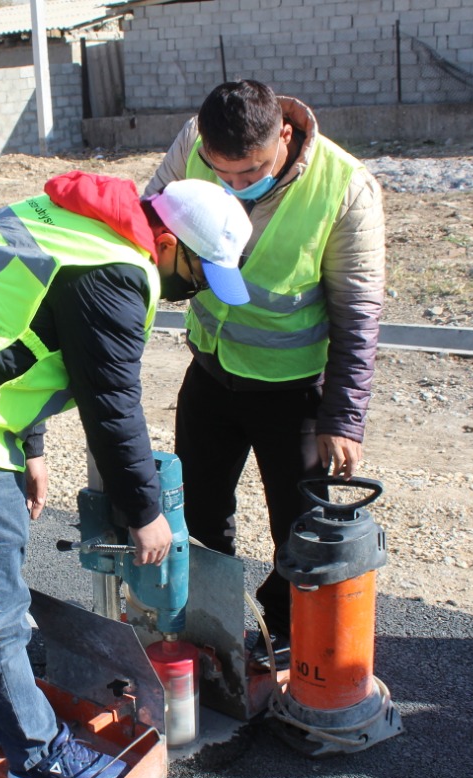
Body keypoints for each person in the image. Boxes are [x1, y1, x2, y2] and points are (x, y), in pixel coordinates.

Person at [0, 172, 252, 778]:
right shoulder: (115, 270)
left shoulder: (69, 221)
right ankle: (37, 757)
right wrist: (145, 511)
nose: (193, 291)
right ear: (170, 243)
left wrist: (30, 445)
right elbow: (112, 405)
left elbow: (21, 327)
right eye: (199, 275)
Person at [145, 80, 386, 671]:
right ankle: (209, 623)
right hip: (212, 369)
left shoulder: (345, 186)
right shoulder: (194, 144)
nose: (232, 185)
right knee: (197, 512)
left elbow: (358, 311)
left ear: (284, 134)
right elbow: (152, 219)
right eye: (221, 173)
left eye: (249, 171)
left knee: (299, 527)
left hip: (293, 390)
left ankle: (282, 632)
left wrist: (343, 418)